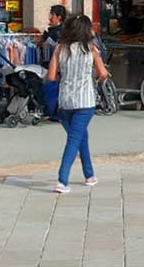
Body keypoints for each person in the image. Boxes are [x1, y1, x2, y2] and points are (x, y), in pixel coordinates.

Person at [47, 14, 109, 193]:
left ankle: (89, 174)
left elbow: (51, 76)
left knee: (81, 137)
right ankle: (62, 180)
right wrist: (94, 76)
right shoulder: (91, 49)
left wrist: (64, 76)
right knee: (74, 139)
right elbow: (103, 73)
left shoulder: (60, 48)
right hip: (85, 101)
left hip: (65, 101)